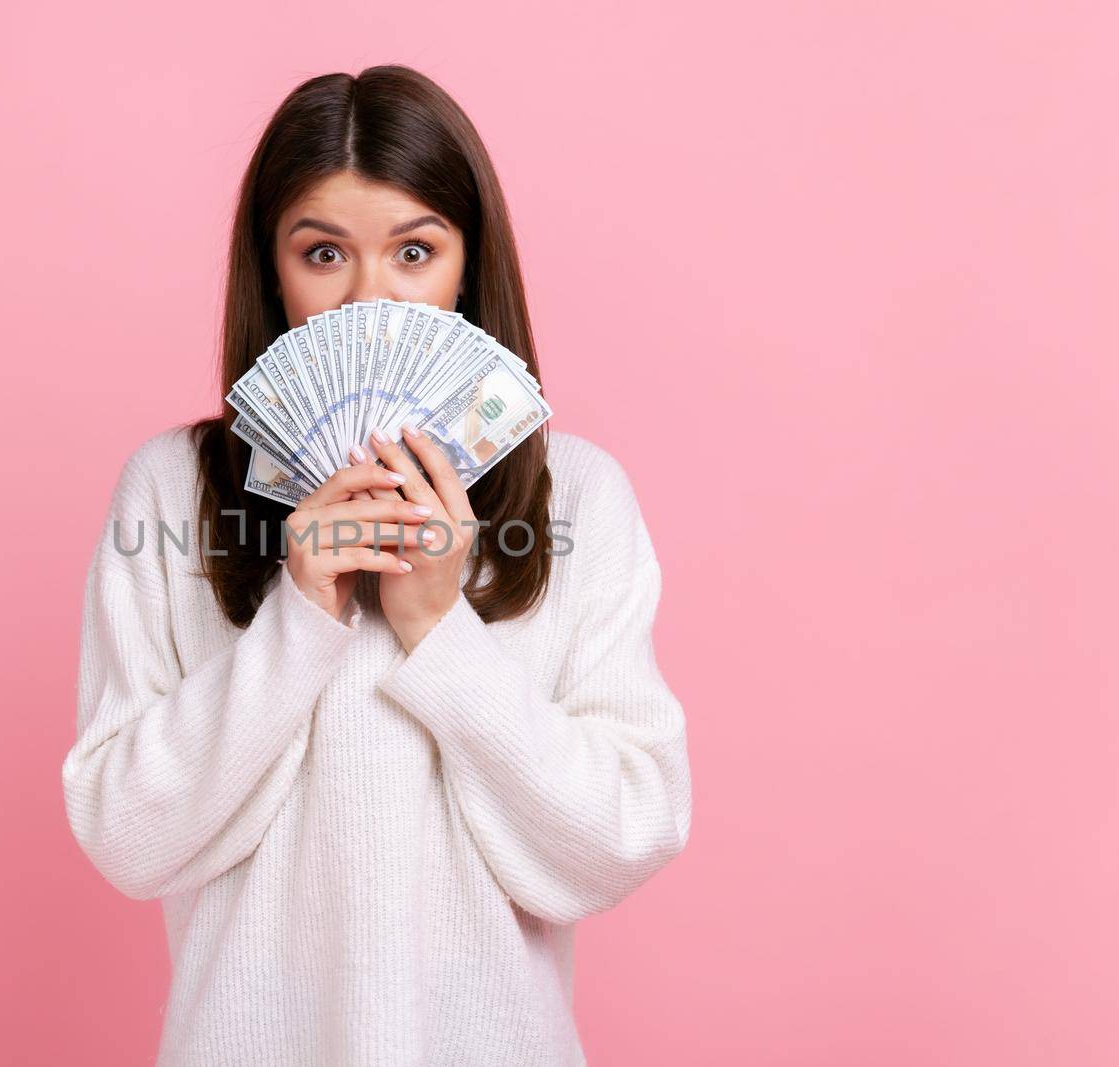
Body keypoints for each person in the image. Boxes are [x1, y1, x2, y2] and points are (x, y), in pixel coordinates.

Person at [61, 64, 693, 1066]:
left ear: (466, 263)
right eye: (323, 253)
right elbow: (126, 834)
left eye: (413, 250)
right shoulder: (172, 493)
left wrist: (442, 631)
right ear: (272, 273)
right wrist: (299, 616)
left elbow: (621, 836)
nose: (372, 298)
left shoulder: (574, 498)